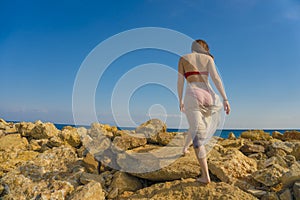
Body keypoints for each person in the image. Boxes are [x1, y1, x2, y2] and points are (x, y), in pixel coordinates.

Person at [177, 39, 231, 184]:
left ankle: (205, 176)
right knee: (195, 126)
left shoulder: (183, 58)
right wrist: (225, 99)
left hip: (193, 94)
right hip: (209, 96)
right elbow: (216, 79)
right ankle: (184, 148)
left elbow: (180, 81)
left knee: (197, 136)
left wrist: (180, 100)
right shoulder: (208, 59)